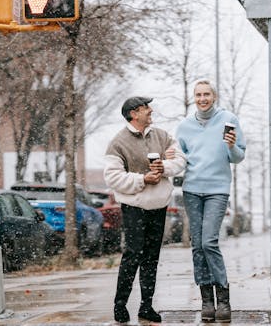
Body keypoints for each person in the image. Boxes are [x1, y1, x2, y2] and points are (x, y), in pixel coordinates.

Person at [103, 96, 186, 323]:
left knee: (151, 258)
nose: (150, 111)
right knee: (132, 256)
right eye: (145, 108)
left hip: (158, 207)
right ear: (134, 113)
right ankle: (120, 306)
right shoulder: (118, 142)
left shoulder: (161, 135)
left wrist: (164, 166)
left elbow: (180, 159)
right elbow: (113, 178)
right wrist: (143, 179)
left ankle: (146, 307)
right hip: (134, 208)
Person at [175, 79, 246, 322]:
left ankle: (223, 298)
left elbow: (238, 157)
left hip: (217, 189)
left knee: (209, 242)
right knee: (197, 246)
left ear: (214, 96)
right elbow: (179, 159)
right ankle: (206, 300)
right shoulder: (184, 126)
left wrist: (232, 145)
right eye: (198, 95)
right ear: (194, 98)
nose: (203, 98)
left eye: (207, 94)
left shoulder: (228, 120)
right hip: (192, 189)